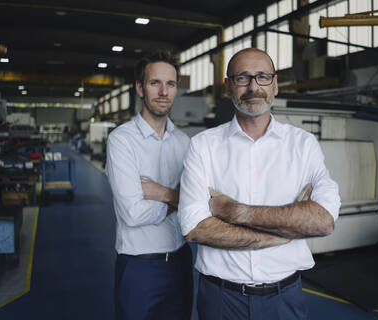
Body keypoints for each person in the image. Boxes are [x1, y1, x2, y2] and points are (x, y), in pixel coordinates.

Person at [178, 48, 341, 320]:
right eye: (243, 78)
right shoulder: (203, 147)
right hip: (221, 299)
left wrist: (236, 212)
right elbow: (195, 228)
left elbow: (323, 220)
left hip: (284, 298)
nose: (254, 86)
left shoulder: (303, 145)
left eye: (263, 77)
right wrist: (284, 232)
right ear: (229, 86)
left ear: (275, 85)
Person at [106, 51, 193, 320]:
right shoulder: (122, 140)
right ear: (140, 88)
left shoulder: (185, 142)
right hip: (139, 267)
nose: (163, 91)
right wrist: (178, 200)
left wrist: (163, 194)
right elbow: (132, 214)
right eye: (155, 83)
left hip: (180, 263)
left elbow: (198, 203)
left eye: (171, 84)